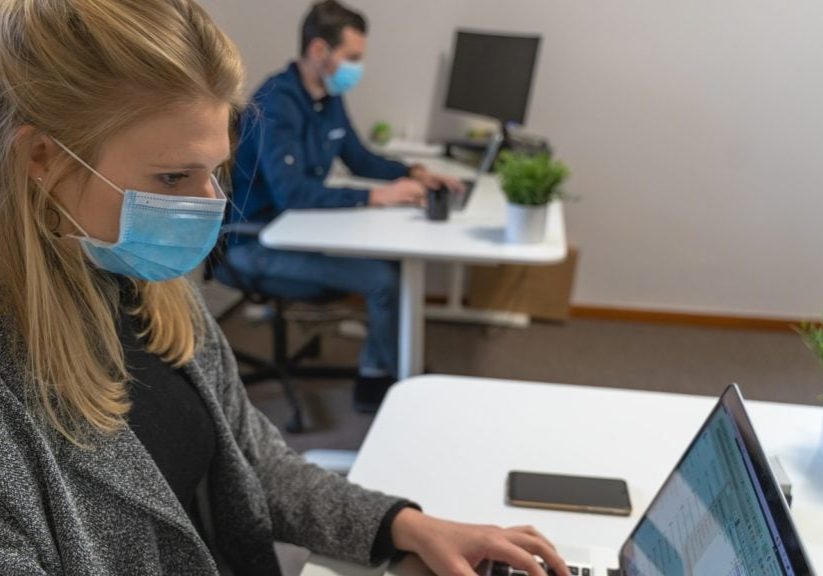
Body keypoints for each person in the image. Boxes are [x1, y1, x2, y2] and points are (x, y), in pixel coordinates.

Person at [0, 1, 570, 575]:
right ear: (41, 157)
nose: (209, 206)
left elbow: (255, 464)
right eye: (172, 177)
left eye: (215, 172)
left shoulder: (152, 290)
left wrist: (404, 525)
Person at [226, 0, 464, 412]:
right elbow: (293, 194)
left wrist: (414, 172)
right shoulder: (277, 103)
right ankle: (376, 382)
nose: (358, 67)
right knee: (383, 279)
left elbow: (359, 158)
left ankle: (389, 365)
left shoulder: (325, 94)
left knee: (388, 268)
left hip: (299, 233)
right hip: (256, 243)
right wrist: (375, 196)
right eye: (352, 58)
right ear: (320, 51)